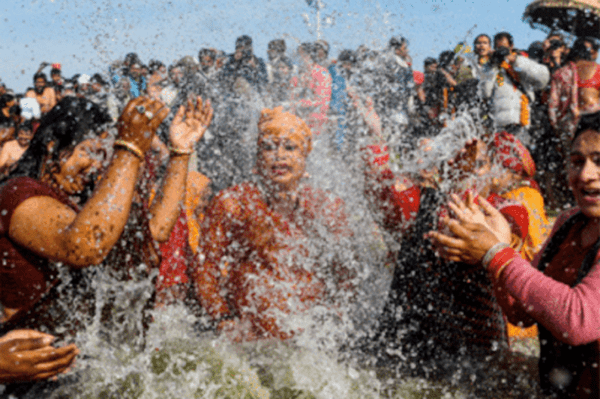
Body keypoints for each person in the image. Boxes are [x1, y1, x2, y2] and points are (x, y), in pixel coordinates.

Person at [0, 95, 212, 363]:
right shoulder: (16, 192)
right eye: (89, 152)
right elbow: (83, 246)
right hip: (24, 375)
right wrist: (130, 147)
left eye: (104, 156)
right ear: (54, 146)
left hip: (72, 366)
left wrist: (181, 151)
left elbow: (155, 232)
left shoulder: (80, 204)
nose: (97, 166)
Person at [428, 111, 600, 398]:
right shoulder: (567, 224)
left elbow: (578, 321)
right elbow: (520, 314)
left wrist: (497, 253)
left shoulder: (523, 200)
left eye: (599, 161)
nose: (585, 174)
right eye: (577, 162)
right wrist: (499, 247)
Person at [193, 107, 354, 341]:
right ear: (258, 159)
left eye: (290, 147)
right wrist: (223, 320)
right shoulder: (234, 204)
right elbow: (206, 267)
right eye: (269, 147)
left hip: (311, 342)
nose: (279, 155)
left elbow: (347, 273)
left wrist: (336, 318)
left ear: (304, 157)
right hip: (251, 339)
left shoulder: (327, 207)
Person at [480, 32, 550, 147]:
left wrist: (514, 60)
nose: (500, 51)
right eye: (498, 48)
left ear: (511, 46)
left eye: (503, 48)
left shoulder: (521, 61)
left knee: (521, 158)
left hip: (521, 122)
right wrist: (491, 66)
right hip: (499, 125)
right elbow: (485, 92)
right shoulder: (490, 66)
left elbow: (543, 78)